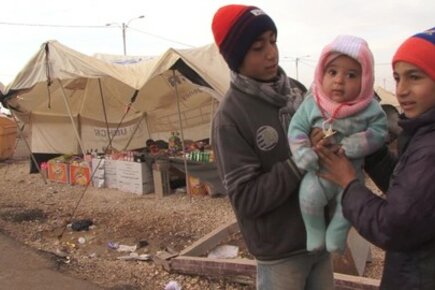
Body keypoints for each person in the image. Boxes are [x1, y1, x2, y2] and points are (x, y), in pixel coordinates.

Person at [211, 4, 334, 290]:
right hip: (279, 255)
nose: (271, 53)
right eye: (257, 47)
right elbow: (247, 199)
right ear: (236, 57)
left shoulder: (297, 91)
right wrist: (299, 161)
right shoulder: (230, 117)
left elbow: (323, 139)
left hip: (319, 241)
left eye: (273, 40)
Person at [315, 27, 435, 289]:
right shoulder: (422, 133)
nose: (401, 90)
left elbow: (392, 225)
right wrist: (372, 151)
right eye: (397, 78)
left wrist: (348, 183)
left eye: (414, 77)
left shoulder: (430, 149)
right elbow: (408, 193)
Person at [287, 35, 388, 253]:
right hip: (318, 172)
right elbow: (296, 129)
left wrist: (357, 144)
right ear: (322, 73)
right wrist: (303, 153)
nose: (339, 80)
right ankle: (314, 232)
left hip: (350, 175)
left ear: (365, 79)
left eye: (351, 75)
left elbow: (380, 131)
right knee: (308, 197)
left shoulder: (369, 108)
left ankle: (336, 234)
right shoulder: (312, 103)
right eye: (332, 72)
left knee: (347, 208)